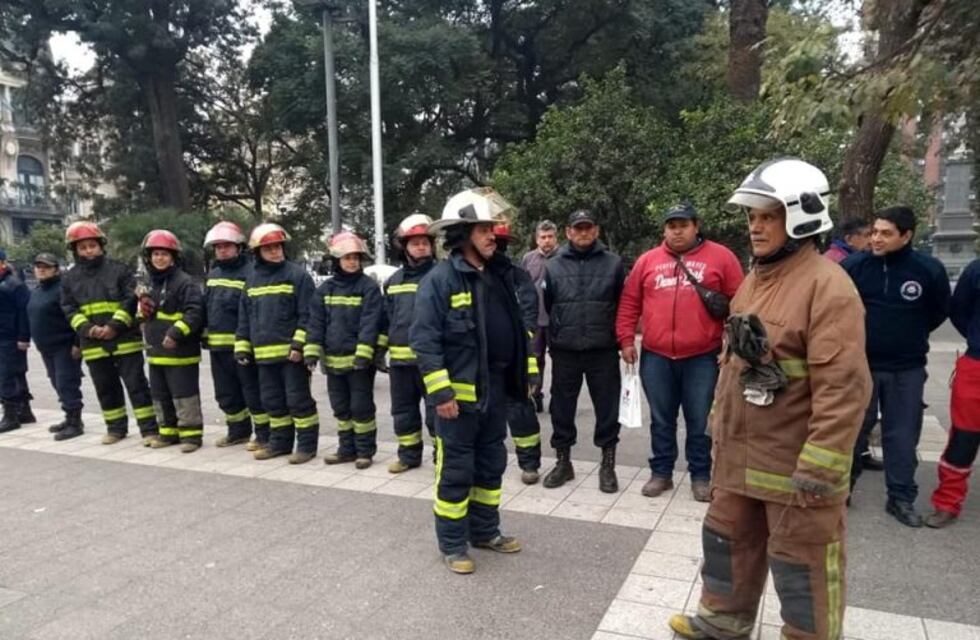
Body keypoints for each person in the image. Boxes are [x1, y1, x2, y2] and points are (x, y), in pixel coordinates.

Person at [669, 158, 872, 640]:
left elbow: (843, 388)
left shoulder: (828, 288)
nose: (755, 227)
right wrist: (717, 426)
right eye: (752, 217)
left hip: (794, 465)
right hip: (740, 459)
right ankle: (723, 621)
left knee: (802, 561)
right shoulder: (755, 281)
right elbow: (736, 364)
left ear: (801, 217)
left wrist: (821, 465)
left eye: (768, 216)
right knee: (727, 542)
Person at [411, 187, 532, 574]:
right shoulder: (440, 280)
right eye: (483, 230)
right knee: (456, 471)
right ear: (463, 235)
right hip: (457, 401)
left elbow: (519, 330)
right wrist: (441, 393)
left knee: (490, 465)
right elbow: (424, 341)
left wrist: (524, 374)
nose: (492, 236)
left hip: (494, 392)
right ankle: (452, 544)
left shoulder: (499, 276)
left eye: (492, 229)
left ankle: (484, 532)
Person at [616, 203, 743, 502]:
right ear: (664, 229)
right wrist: (626, 340)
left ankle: (701, 476)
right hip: (656, 356)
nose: (677, 231)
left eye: (683, 225)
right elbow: (630, 302)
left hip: (703, 356)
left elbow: (740, 303)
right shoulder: (647, 261)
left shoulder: (722, 258)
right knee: (661, 420)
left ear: (696, 226)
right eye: (671, 226)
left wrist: (731, 345)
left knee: (700, 421)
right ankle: (661, 473)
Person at [844, 206, 950, 527]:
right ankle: (841, 489)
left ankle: (901, 498)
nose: (876, 239)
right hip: (861, 366)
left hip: (907, 368)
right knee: (852, 431)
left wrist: (907, 335)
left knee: (902, 436)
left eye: (886, 233)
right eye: (874, 232)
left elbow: (939, 311)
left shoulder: (928, 270)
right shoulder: (854, 267)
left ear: (906, 236)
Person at [540, 210, 625, 494]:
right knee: (561, 409)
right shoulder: (553, 265)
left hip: (603, 349)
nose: (583, 233)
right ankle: (563, 462)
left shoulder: (613, 264)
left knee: (608, 409)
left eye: (588, 228)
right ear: (568, 232)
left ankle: (608, 465)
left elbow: (621, 303)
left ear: (596, 230)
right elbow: (549, 303)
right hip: (565, 350)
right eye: (578, 228)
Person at [61, 221, 159, 445]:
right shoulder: (69, 278)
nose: (88, 251)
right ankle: (115, 429)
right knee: (105, 388)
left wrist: (114, 326)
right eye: (83, 247)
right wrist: (89, 329)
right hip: (93, 344)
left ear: (101, 246)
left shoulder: (119, 270)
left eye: (92, 246)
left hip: (125, 340)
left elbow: (130, 300)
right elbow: (68, 308)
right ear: (75, 250)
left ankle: (149, 430)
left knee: (137, 387)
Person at [235, 223, 319, 464]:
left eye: (277, 247)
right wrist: (242, 346)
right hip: (263, 357)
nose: (275, 252)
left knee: (298, 402)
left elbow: (308, 315)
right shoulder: (252, 280)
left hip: (291, 357)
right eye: (268, 248)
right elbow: (245, 317)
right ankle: (280, 444)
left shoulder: (297, 276)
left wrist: (298, 345)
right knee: (273, 402)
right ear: (257, 252)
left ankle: (306, 447)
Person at [307, 232, 383, 469]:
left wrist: (364, 355)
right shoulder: (325, 289)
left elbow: (371, 323)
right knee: (340, 408)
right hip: (333, 362)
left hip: (359, 363)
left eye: (356, 258)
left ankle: (365, 451)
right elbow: (316, 322)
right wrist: (311, 351)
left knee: (361, 408)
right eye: (347, 258)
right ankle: (346, 450)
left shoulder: (368, 288)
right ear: (336, 260)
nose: (352, 262)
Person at [202, 221, 269, 450]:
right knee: (226, 393)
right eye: (218, 247)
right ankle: (238, 431)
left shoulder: (251, 273)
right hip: (218, 347)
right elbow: (207, 306)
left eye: (227, 246)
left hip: (243, 347)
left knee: (252, 392)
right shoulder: (213, 274)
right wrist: (204, 333)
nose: (222, 250)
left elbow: (252, 311)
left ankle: (263, 435)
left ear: (239, 247)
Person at [380, 214, 438, 473]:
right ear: (405, 247)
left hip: (432, 362)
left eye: (425, 242)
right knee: (403, 412)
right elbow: (387, 319)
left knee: (437, 413)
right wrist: (379, 351)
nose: (421, 247)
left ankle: (442, 456)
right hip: (401, 363)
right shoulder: (393, 281)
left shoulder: (441, 276)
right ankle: (408, 456)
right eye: (415, 243)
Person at [138, 230, 205, 453]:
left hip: (180, 352)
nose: (160, 258)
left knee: (184, 395)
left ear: (174, 257)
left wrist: (176, 333)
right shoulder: (150, 283)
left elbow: (194, 313)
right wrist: (141, 312)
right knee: (160, 395)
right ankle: (167, 433)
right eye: (156, 254)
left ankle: (191, 436)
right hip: (156, 352)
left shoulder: (185, 283)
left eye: (164, 254)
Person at [927, 257, 980, 527]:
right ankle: (947, 503)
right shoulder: (976, 270)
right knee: (963, 438)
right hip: (977, 366)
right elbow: (959, 310)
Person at [495, 224, 543, 484]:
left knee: (520, 412)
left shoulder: (518, 277)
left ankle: (529, 463)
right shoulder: (471, 276)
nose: (496, 248)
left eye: (500, 244)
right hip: (482, 360)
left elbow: (529, 317)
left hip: (515, 357)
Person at [27, 253, 84, 440]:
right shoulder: (37, 290)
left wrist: (78, 343)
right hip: (46, 348)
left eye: (46, 267)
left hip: (65, 346)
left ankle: (75, 423)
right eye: (38, 267)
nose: (41, 270)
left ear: (56, 270)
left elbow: (77, 316)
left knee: (67, 383)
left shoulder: (63, 290)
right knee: (56, 383)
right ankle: (69, 417)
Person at [520, 220, 559, 413]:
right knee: (535, 360)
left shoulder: (564, 258)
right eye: (543, 237)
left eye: (550, 236)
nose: (547, 240)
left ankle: (558, 398)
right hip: (535, 320)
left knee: (560, 360)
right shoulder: (528, 259)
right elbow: (521, 288)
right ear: (537, 239)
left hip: (558, 321)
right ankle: (536, 395)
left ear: (556, 238)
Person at [0, 248, 32, 433]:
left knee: (7, 375)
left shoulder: (13, 284)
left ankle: (10, 415)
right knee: (15, 373)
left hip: (10, 337)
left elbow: (24, 312)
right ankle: (25, 411)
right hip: (4, 335)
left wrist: (23, 337)